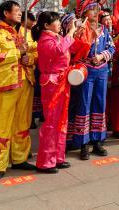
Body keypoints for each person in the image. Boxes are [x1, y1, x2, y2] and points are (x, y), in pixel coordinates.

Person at [0, 0, 38, 179]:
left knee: (23, 122)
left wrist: (29, 58)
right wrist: (17, 53)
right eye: (16, 11)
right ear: (6, 13)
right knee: (1, 124)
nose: (19, 13)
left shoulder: (26, 33)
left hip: (26, 81)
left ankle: (20, 158)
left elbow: (36, 52)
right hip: (5, 84)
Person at [67, 3, 114, 160]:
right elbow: (73, 50)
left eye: (97, 10)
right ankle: (83, 143)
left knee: (100, 103)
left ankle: (97, 140)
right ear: (84, 12)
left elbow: (112, 47)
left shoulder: (104, 29)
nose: (95, 12)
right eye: (91, 10)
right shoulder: (80, 28)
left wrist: (102, 56)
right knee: (84, 104)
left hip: (101, 70)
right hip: (85, 69)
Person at [33, 11, 77, 172]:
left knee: (61, 120)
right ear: (46, 25)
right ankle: (45, 161)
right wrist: (71, 33)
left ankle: (58, 156)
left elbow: (70, 48)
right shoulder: (45, 40)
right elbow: (58, 51)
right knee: (51, 122)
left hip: (62, 81)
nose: (59, 24)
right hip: (51, 82)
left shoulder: (57, 37)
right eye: (56, 21)